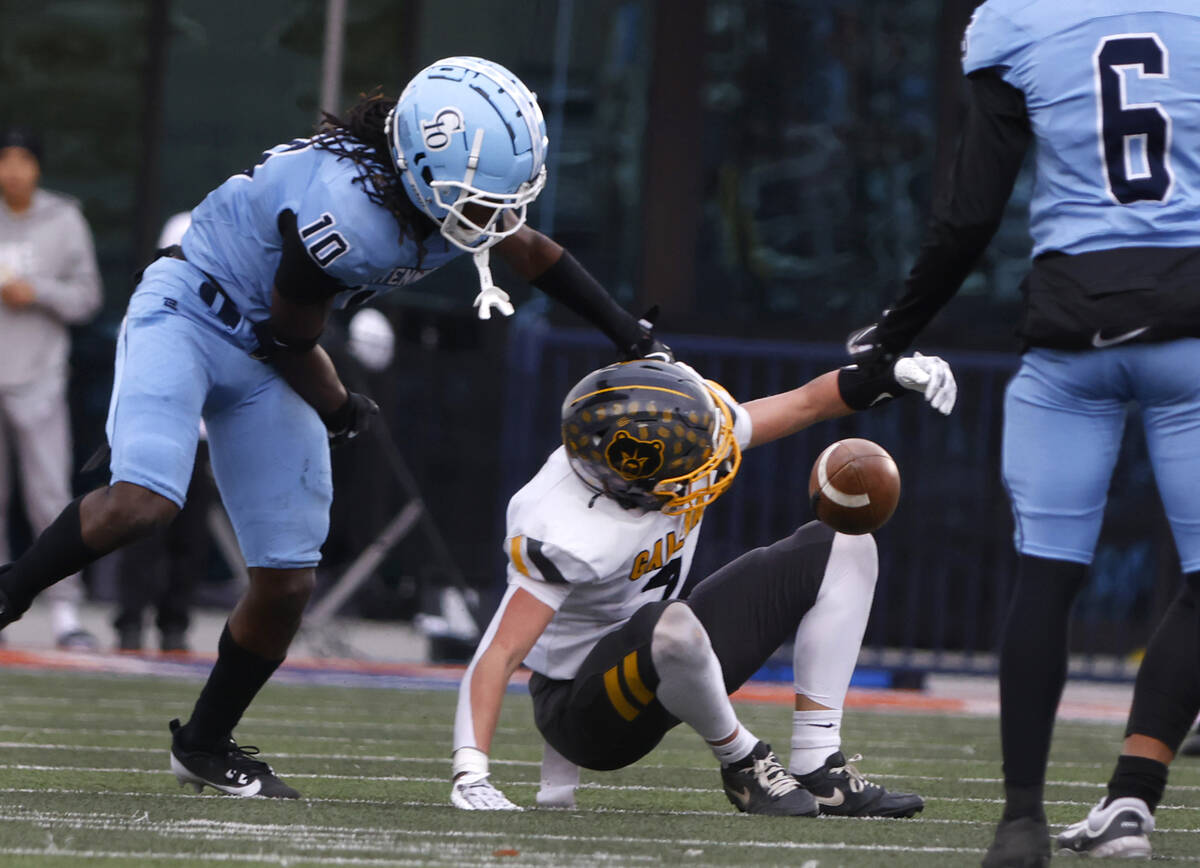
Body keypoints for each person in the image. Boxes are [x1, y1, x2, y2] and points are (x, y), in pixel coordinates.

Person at [0, 57, 669, 798]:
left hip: (266, 346)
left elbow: (530, 248)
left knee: (287, 583)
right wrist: (340, 406)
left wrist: (628, 331)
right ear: (421, 168)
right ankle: (9, 591)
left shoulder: (430, 193)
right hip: (193, 310)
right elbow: (290, 336)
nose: (491, 215)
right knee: (144, 502)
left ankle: (205, 743)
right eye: (477, 200)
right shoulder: (352, 217)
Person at [845, 2, 1200, 863]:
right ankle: (1133, 796)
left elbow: (970, 216)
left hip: (1070, 332)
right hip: (1191, 327)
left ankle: (1021, 821)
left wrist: (888, 339)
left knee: (1046, 575)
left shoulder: (1016, 22)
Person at [449, 353, 957, 815]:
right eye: (692, 460)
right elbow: (500, 651)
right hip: (588, 714)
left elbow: (806, 403)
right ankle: (744, 763)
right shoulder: (563, 528)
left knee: (846, 545)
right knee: (669, 623)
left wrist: (887, 375)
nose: (710, 463)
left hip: (676, 655)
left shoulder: (676, 442)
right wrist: (471, 774)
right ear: (634, 474)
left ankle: (820, 767)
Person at [0, 126, 102, 650]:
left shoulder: (64, 219)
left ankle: (65, 613)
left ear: (37, 167)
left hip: (38, 379)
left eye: (23, 159)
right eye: (5, 159)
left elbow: (88, 298)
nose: (13, 170)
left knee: (47, 496)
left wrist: (35, 291)